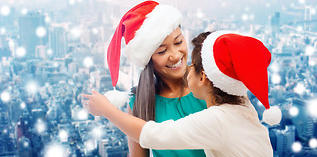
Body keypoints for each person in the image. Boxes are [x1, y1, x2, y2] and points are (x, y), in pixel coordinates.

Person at [82, 31, 282, 157]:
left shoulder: (216, 119)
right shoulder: (236, 100)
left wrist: (106, 110)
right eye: (162, 51)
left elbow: (152, 134)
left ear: (203, 77)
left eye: (179, 42)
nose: (178, 57)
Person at [104, 0, 207, 157]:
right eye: (162, 51)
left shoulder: (208, 82)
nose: (175, 55)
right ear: (148, 60)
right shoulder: (139, 103)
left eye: (179, 41)